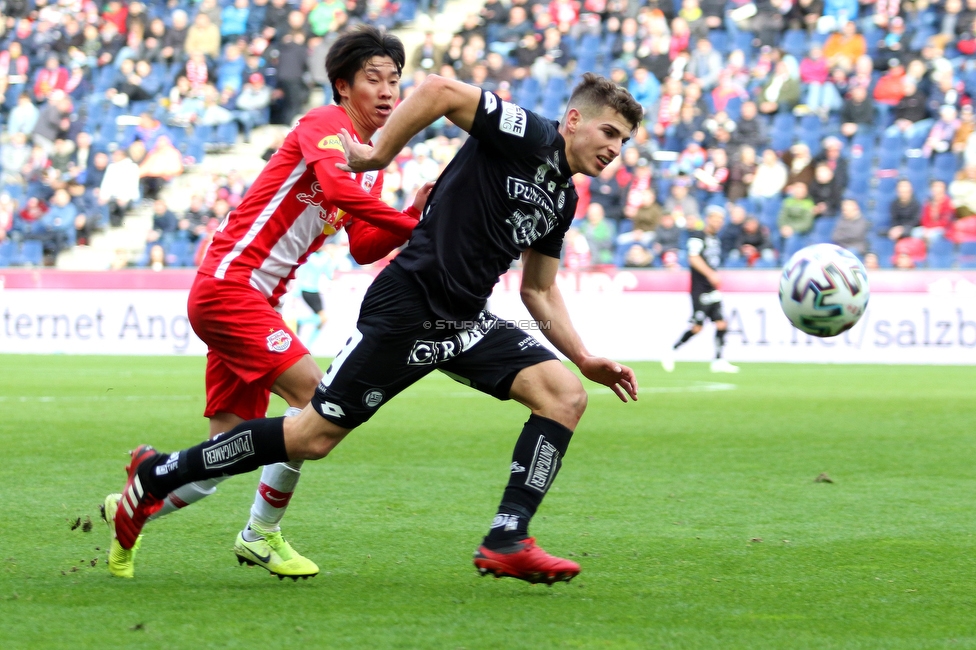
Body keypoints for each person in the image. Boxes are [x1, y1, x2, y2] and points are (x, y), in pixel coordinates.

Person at [110, 72, 642, 586]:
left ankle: (507, 538)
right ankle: (160, 476)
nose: (615, 148)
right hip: (408, 308)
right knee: (310, 437)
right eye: (609, 132)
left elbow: (539, 291)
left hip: (465, 318)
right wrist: (376, 154)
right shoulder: (529, 132)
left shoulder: (562, 198)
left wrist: (584, 357)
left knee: (564, 395)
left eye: (624, 140)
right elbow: (438, 90)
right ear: (573, 120)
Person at [101, 27, 431, 581]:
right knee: (319, 405)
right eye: (372, 79)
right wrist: (406, 220)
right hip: (231, 288)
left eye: (394, 81)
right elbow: (337, 188)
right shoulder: (325, 127)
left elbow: (359, 245)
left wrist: (412, 217)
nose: (387, 92)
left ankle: (138, 497)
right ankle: (260, 534)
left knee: (226, 451)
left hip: (252, 302)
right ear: (342, 87)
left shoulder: (369, 167)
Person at [661, 205, 739, 374]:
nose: (718, 223)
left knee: (721, 323)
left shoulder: (715, 239)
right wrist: (711, 274)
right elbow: (693, 258)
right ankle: (671, 350)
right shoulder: (697, 236)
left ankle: (718, 360)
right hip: (700, 289)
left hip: (712, 289)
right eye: (715, 219)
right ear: (707, 219)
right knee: (697, 327)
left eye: (720, 220)